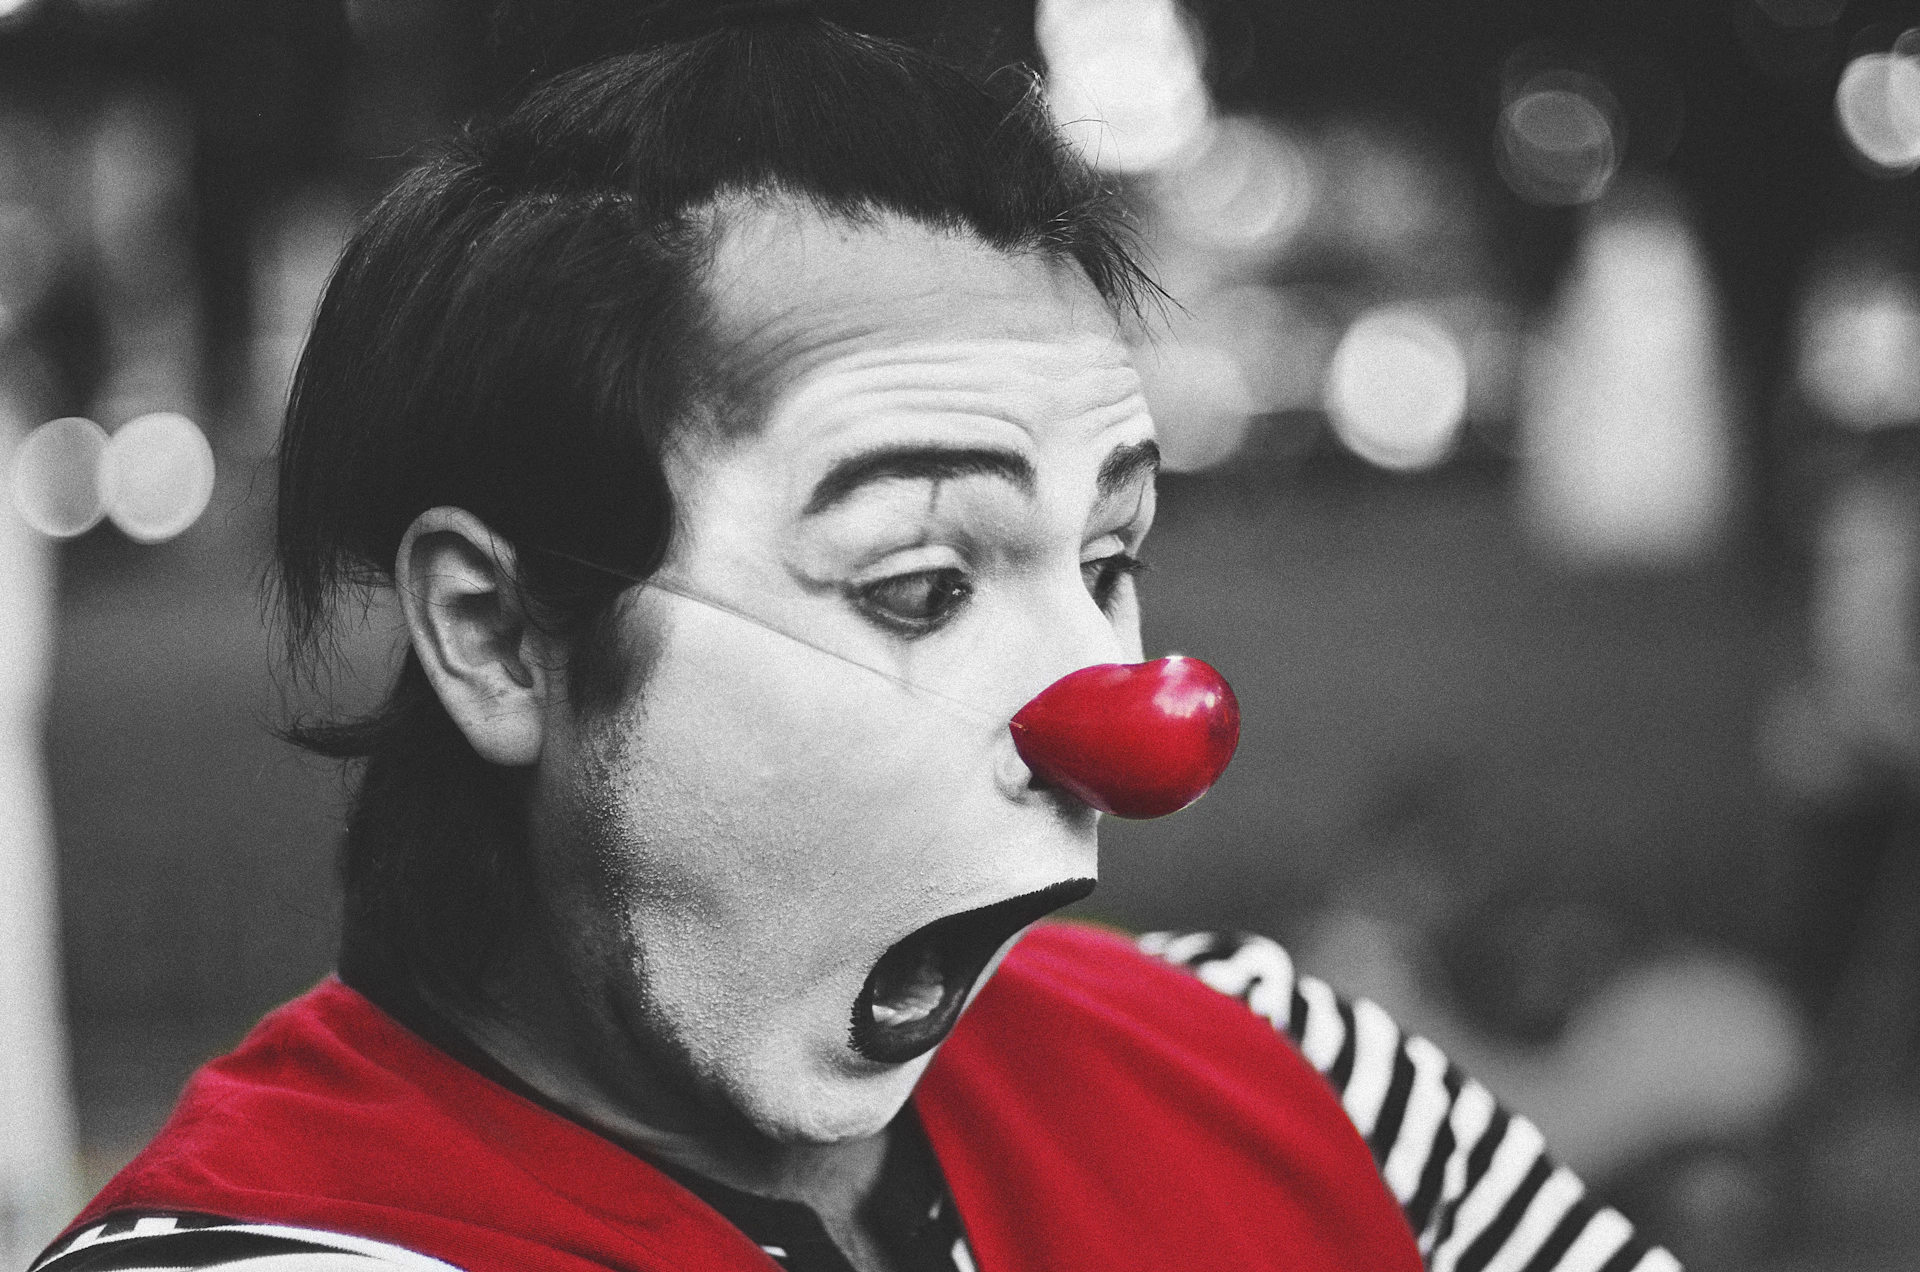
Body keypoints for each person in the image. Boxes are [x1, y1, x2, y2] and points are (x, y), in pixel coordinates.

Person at [37, 8, 1679, 1272]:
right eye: (917, 583)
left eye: (1111, 557)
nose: (1114, 717)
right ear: (494, 637)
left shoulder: (1285, 1064)